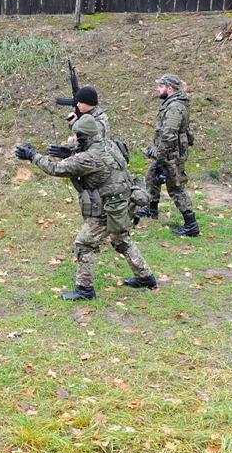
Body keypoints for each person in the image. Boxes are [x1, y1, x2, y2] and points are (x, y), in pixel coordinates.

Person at [15, 114, 157, 301]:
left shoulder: (90, 157)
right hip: (125, 202)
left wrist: (33, 156)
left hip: (108, 208)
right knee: (122, 241)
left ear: (85, 137)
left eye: (77, 137)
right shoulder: (109, 144)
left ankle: (85, 289)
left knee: (84, 244)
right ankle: (145, 277)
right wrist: (70, 152)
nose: (73, 140)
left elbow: (56, 169)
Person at [136, 74, 200, 237]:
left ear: (169, 88)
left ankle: (191, 225)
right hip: (167, 152)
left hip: (171, 154)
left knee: (176, 187)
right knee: (152, 177)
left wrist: (160, 155)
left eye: (161, 86)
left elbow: (169, 134)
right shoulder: (172, 104)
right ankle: (151, 210)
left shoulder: (174, 107)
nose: (158, 89)